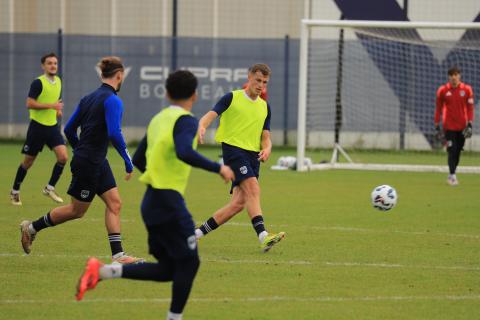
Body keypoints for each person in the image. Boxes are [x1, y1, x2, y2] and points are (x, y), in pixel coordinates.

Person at [75, 70, 235, 320]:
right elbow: (184, 151)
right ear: (194, 95)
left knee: (169, 269)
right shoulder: (187, 120)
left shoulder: (158, 118)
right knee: (190, 264)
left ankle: (104, 272)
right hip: (168, 202)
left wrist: (158, 173)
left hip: (152, 203)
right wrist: (219, 167)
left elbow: (139, 158)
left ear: (168, 93)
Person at [20, 56, 143, 264]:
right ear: (120, 76)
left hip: (95, 160)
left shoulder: (88, 98)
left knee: (115, 203)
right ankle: (31, 227)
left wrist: (81, 149)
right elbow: (114, 132)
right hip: (90, 162)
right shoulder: (113, 100)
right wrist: (127, 159)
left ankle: (118, 255)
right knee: (77, 211)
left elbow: (68, 129)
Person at [195, 63, 285, 252]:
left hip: (253, 157)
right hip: (233, 151)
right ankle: (263, 236)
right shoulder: (232, 97)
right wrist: (201, 126)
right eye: (258, 80)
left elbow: (266, 138)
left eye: (265, 82)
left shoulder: (264, 107)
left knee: (237, 204)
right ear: (249, 77)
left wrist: (267, 148)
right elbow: (209, 116)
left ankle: (194, 236)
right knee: (253, 188)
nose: (261, 85)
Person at [10, 53, 67, 205]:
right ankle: (15, 191)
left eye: (55, 63)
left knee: (63, 157)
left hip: (52, 127)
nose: (53, 65)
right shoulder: (38, 83)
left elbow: (54, 101)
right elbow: (29, 103)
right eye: (49, 63)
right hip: (37, 128)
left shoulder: (59, 81)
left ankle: (49, 188)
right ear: (43, 66)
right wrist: (52, 106)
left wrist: (57, 110)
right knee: (28, 162)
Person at [434, 66, 475, 186]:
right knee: (452, 150)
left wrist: (470, 124)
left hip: (462, 126)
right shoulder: (442, 90)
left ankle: (452, 173)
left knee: (457, 151)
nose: (453, 77)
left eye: (456, 74)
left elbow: (470, 108)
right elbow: (438, 108)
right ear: (449, 77)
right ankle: (452, 176)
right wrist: (437, 124)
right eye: (451, 75)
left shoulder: (467, 89)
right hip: (449, 126)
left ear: (459, 76)